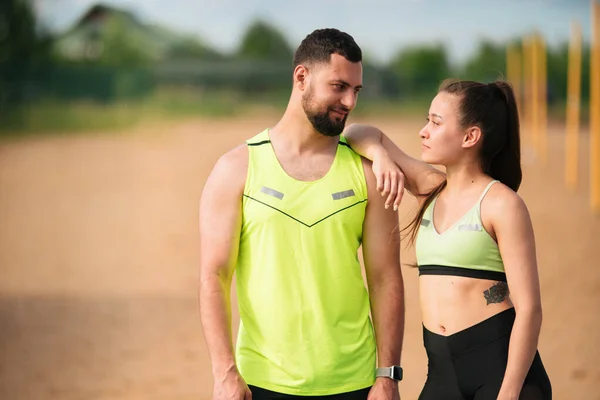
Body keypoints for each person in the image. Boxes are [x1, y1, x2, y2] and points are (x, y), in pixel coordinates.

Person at [198, 28, 405, 400]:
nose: (349, 101)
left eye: (356, 90)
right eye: (339, 86)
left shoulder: (368, 171)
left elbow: (385, 278)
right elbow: (214, 276)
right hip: (261, 380)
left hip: (354, 382)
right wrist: (224, 373)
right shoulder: (236, 168)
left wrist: (387, 376)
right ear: (301, 77)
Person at [344, 79, 552, 400]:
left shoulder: (502, 204)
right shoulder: (430, 188)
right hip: (441, 375)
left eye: (436, 122)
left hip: (500, 375)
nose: (423, 131)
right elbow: (356, 132)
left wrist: (509, 393)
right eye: (427, 119)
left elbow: (529, 309)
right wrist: (381, 157)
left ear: (470, 136)